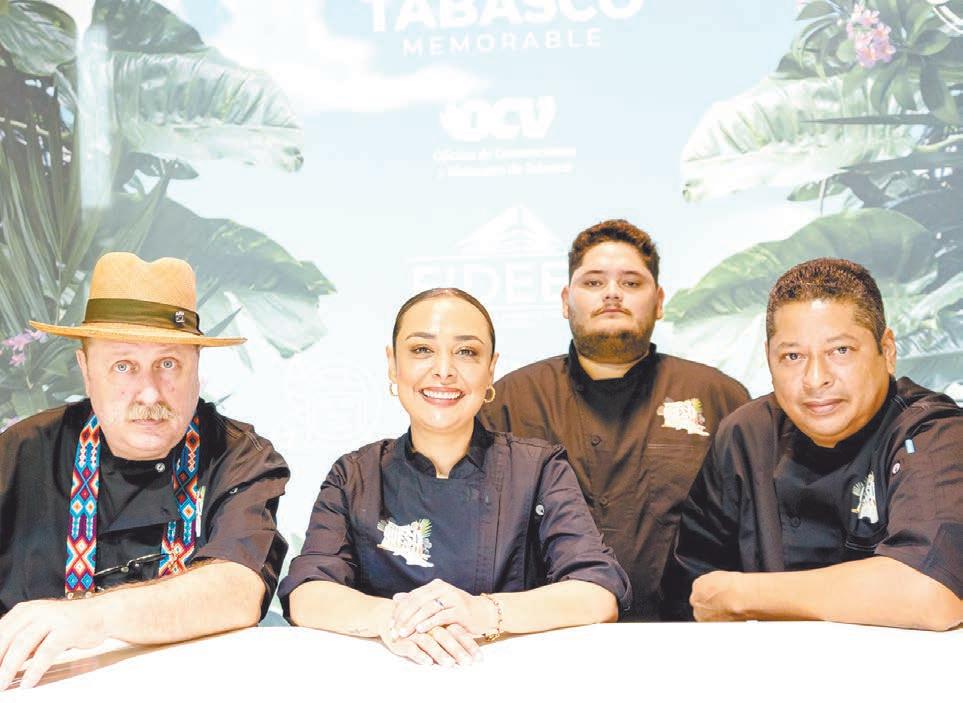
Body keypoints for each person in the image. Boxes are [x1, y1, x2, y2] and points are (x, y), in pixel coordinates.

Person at [280, 288, 630, 666]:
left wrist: (481, 612)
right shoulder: (355, 475)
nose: (444, 370)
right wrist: (398, 620)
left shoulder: (540, 468)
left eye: (466, 352)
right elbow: (307, 594)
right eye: (421, 350)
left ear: (491, 368)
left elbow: (597, 593)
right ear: (393, 364)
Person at [0, 253, 290, 688]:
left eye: (168, 364)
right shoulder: (21, 451)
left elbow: (238, 590)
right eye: (123, 366)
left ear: (197, 369)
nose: (150, 393)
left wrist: (90, 617)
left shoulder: (239, 456)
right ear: (86, 371)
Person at [667, 258, 963, 630]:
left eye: (840, 351)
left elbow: (930, 592)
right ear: (769, 360)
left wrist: (742, 595)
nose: (815, 378)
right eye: (793, 356)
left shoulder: (930, 432)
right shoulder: (747, 434)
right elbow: (692, 594)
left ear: (887, 351)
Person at [478, 219, 748, 619]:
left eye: (631, 282)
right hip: (547, 635)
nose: (612, 293)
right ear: (566, 300)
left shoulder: (719, 397)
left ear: (659, 301)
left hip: (685, 634)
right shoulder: (510, 400)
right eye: (593, 282)